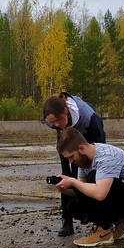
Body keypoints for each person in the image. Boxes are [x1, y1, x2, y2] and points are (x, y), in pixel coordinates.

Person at [54, 126, 124, 248]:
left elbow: (100, 194)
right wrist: (64, 188)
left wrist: (73, 182)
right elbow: (82, 193)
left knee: (93, 178)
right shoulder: (83, 161)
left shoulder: (106, 156)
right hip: (118, 195)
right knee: (73, 207)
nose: (70, 161)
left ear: (81, 148)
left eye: (71, 156)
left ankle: (102, 231)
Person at [42, 93, 106, 237]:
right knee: (66, 176)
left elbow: (101, 149)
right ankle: (67, 220)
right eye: (53, 123)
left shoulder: (89, 117)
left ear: (66, 110)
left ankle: (99, 220)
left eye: (58, 120)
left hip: (89, 137)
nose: (56, 125)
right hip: (67, 140)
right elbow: (59, 127)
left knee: (92, 175)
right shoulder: (54, 120)